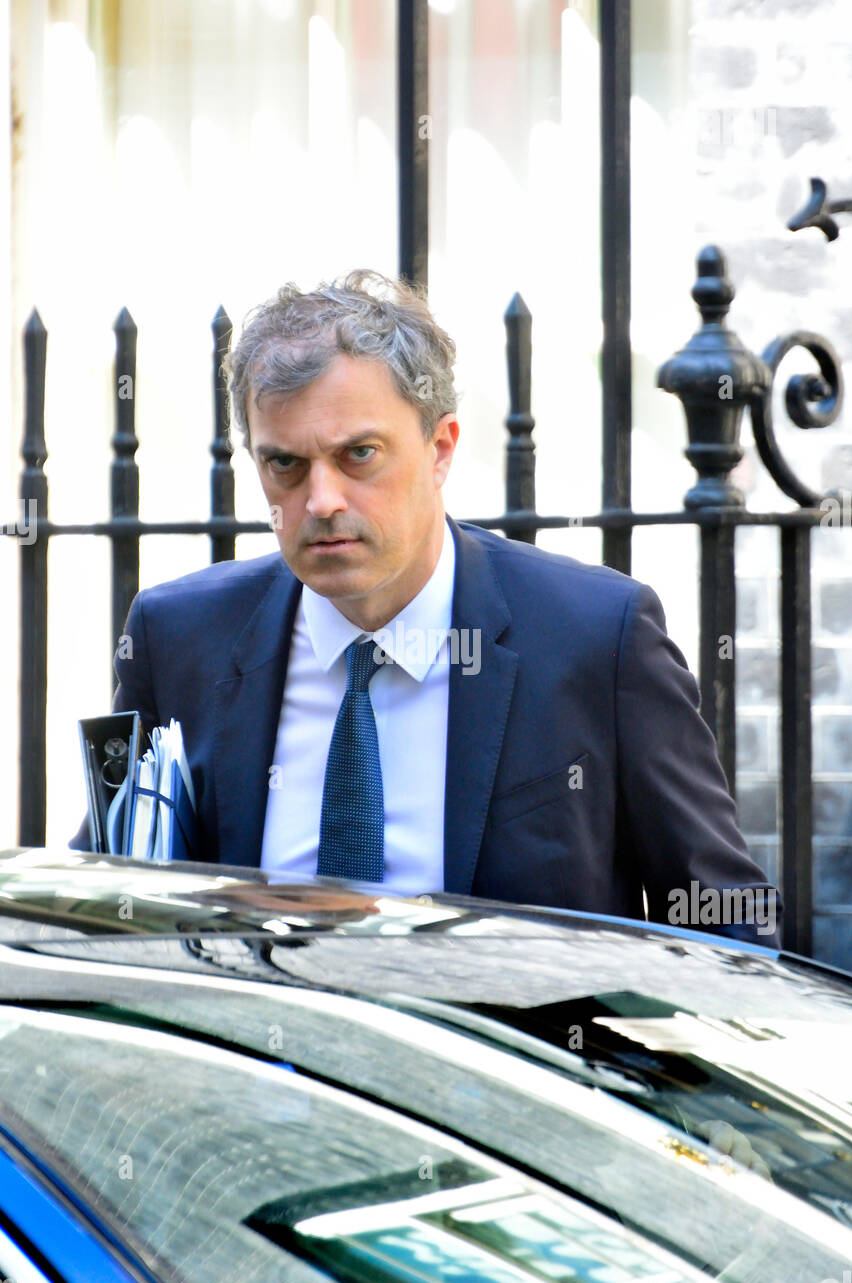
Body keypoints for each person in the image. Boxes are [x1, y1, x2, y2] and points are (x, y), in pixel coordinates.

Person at [71, 269, 780, 947]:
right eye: (284, 464)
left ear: (440, 448)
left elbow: (728, 919)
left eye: (359, 455)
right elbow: (111, 896)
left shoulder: (596, 637)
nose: (321, 501)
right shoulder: (178, 637)